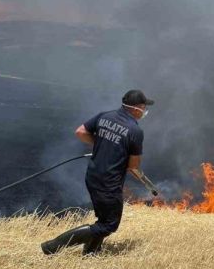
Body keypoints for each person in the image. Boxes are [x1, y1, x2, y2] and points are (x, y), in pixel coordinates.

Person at [41, 89, 156, 256]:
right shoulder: (135, 131)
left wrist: (101, 144)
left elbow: (80, 132)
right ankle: (53, 246)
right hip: (109, 183)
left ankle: (90, 254)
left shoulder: (104, 116)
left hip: (93, 177)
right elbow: (133, 166)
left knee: (102, 221)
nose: (144, 112)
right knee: (109, 225)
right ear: (136, 108)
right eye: (144, 107)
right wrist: (146, 182)